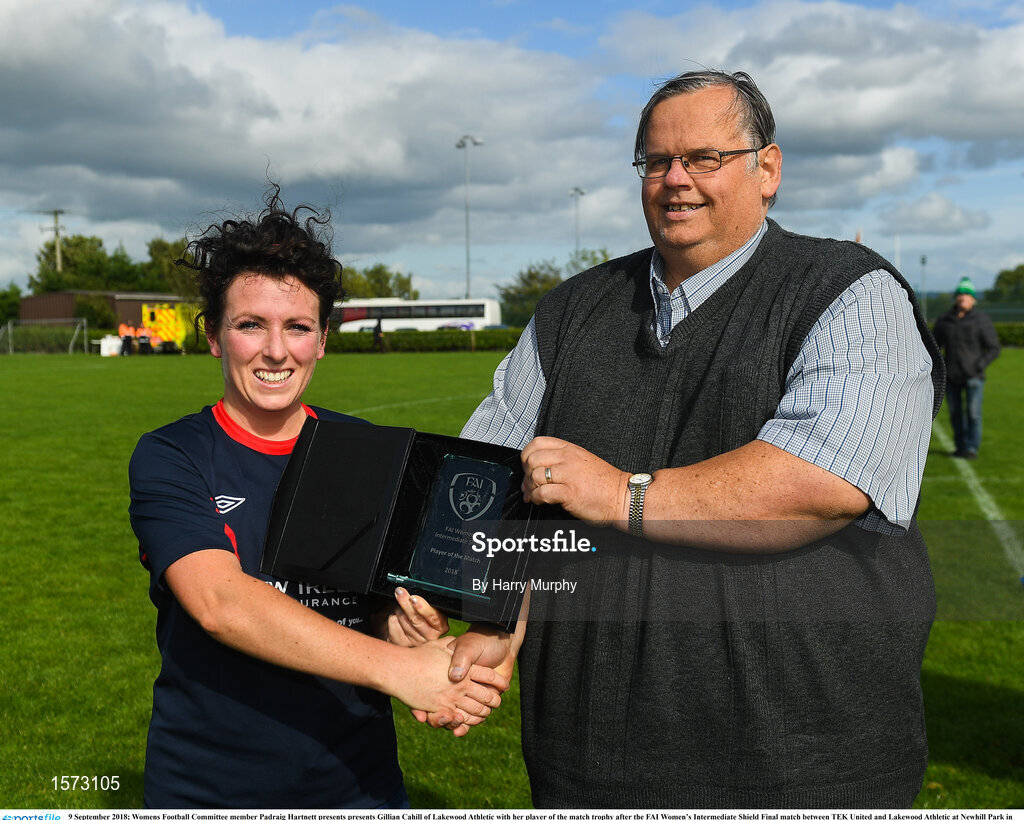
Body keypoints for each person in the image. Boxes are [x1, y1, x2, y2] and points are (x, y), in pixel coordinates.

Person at [450, 70, 944, 808]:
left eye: (705, 158)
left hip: (807, 765)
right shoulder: (570, 311)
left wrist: (621, 494)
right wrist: (482, 608)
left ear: (766, 169)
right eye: (656, 162)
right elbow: (487, 482)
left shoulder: (847, 290)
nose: (676, 180)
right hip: (586, 761)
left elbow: (821, 482)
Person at [128, 186, 508, 809]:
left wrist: (410, 634)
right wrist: (401, 672)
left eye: (298, 327)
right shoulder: (173, 454)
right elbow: (221, 602)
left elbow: (378, 606)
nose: (276, 350)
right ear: (215, 336)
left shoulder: (365, 448)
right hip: (212, 787)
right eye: (251, 325)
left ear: (323, 339)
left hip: (357, 784)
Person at [932, 276, 1000, 459]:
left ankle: (971, 448)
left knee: (973, 414)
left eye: (967, 294)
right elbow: (934, 346)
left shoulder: (981, 320)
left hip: (974, 377)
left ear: (973, 299)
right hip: (952, 376)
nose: (963, 297)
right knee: (955, 415)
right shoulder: (945, 320)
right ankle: (960, 446)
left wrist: (980, 365)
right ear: (956, 297)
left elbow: (994, 348)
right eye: (960, 294)